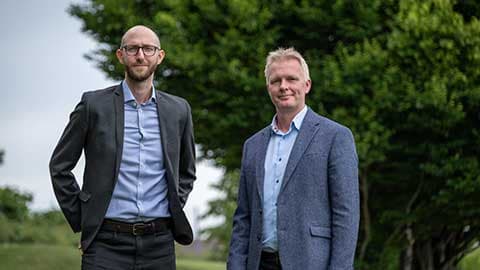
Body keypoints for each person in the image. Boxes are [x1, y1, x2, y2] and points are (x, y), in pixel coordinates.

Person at [49, 25, 196, 270]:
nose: (140, 55)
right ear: (120, 55)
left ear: (160, 56)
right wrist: (84, 218)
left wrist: (172, 204)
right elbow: (60, 166)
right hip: (105, 243)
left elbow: (187, 170)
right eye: (132, 48)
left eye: (148, 49)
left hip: (159, 245)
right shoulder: (93, 105)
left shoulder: (179, 110)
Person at [227, 47, 359, 270]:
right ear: (268, 87)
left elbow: (346, 215)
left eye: (291, 79)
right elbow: (243, 218)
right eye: (276, 80)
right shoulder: (253, 145)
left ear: (306, 85)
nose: (283, 86)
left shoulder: (336, 137)